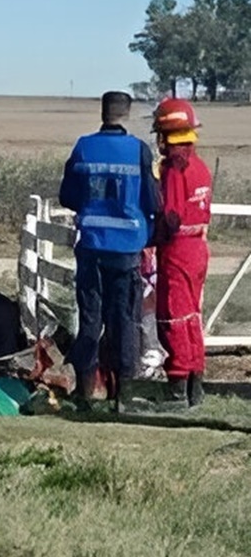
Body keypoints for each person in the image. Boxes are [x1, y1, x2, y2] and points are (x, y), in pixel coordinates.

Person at [59, 91, 159, 405]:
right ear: (127, 114)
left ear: (103, 113)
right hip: (127, 249)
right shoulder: (139, 151)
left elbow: (68, 196)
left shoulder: (84, 147)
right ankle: (124, 394)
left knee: (90, 318)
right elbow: (153, 201)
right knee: (124, 321)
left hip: (91, 245)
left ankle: (85, 391)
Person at [151, 98, 212, 407]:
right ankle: (195, 385)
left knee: (173, 316)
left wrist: (152, 234)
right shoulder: (199, 166)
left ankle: (177, 388)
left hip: (178, 251)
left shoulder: (176, 169)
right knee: (191, 318)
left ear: (166, 135)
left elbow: (172, 217)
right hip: (198, 247)